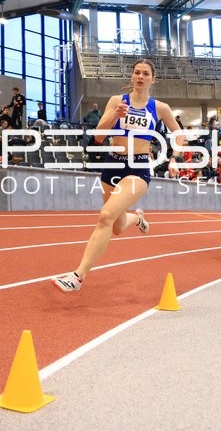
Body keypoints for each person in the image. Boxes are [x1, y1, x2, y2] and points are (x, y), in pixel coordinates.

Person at [51, 59, 183, 292]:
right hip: (113, 164)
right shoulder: (116, 101)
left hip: (138, 167)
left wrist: (174, 157)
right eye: (136, 72)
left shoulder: (160, 108)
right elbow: (99, 137)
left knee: (105, 216)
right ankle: (138, 218)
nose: (140, 76)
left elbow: (178, 133)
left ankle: (77, 277)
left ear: (153, 79)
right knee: (117, 226)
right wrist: (115, 116)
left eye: (145, 73)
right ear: (131, 77)